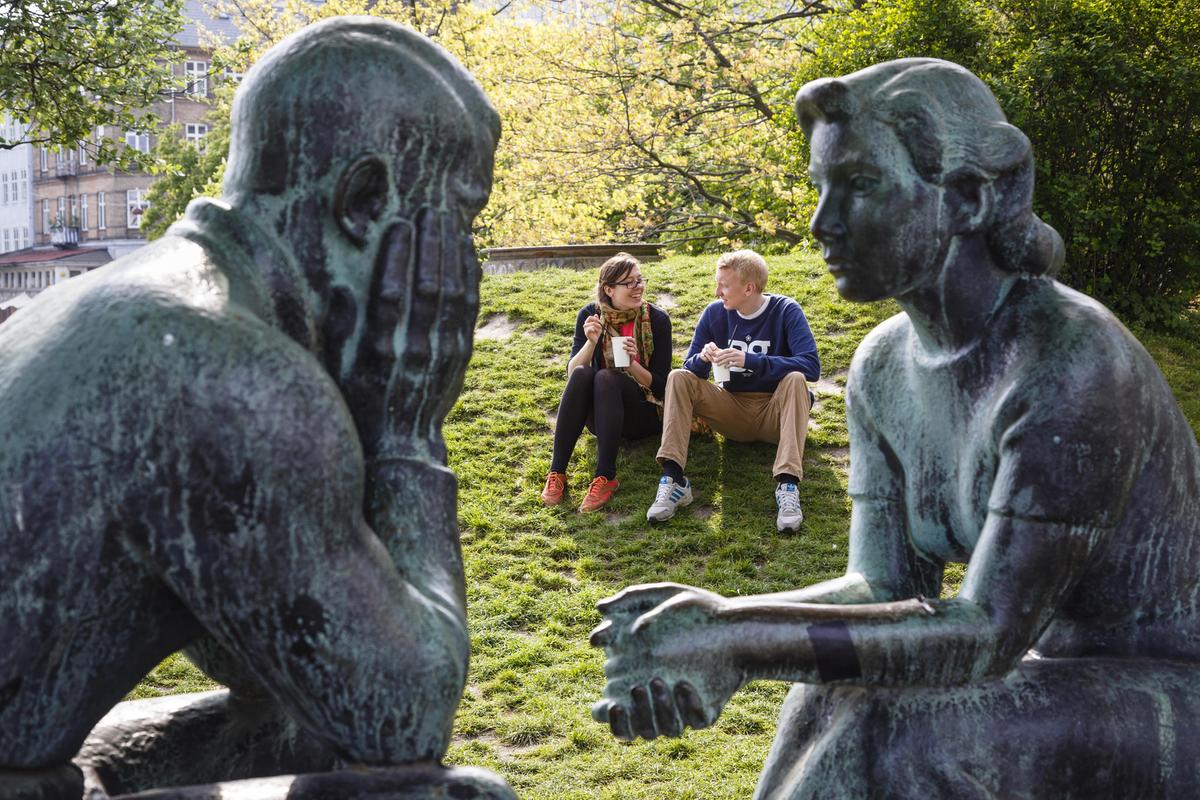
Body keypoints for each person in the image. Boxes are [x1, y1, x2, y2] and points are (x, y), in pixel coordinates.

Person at [591, 58, 1200, 798]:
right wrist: (718, 618)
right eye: (821, 188)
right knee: (826, 690)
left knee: (898, 734)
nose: (822, 223)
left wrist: (740, 643)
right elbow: (882, 584)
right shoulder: (883, 366)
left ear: (969, 199)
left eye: (860, 185)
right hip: (1051, 675)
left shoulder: (1073, 364)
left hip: (1166, 690)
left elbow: (985, 634)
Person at [0, 18, 514, 800]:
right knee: (450, 797)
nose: (460, 277)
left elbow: (273, 660)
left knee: (295, 722)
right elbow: (406, 712)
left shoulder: (113, 305)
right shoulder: (227, 371)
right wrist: (408, 430)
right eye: (457, 226)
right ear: (364, 202)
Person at [645, 250, 819, 533]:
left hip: (776, 414)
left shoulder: (786, 310)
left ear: (749, 288)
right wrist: (702, 358)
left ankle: (787, 486)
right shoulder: (715, 313)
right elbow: (691, 370)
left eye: (724, 285)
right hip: (731, 411)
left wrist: (750, 360)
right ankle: (674, 480)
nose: (717, 291)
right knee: (678, 376)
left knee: (797, 379)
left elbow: (811, 366)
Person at [541, 253, 672, 513]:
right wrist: (591, 342)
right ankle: (557, 472)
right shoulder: (590, 315)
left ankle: (605, 476)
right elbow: (571, 372)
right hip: (601, 417)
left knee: (606, 376)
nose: (638, 288)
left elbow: (661, 387)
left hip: (643, 413)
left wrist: (632, 364)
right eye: (630, 283)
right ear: (608, 289)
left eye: (640, 280)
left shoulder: (656, 320)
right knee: (582, 374)